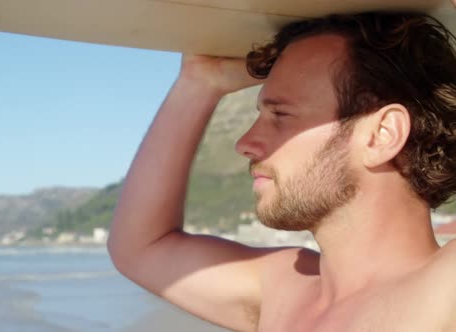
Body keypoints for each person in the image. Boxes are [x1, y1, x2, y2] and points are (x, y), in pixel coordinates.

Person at [108, 11, 456, 332]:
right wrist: (199, 83)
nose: (244, 143)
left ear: (382, 135)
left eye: (281, 115)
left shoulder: (443, 288)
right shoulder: (283, 289)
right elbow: (140, 248)